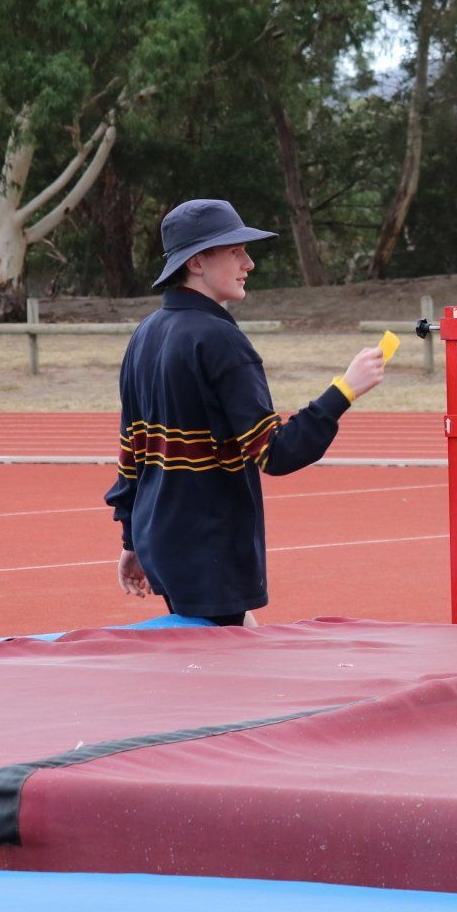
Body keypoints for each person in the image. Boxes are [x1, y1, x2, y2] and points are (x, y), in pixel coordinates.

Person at [107, 199, 387, 624]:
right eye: (236, 251)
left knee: (233, 649)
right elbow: (275, 452)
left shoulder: (145, 333)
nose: (249, 263)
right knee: (230, 670)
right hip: (208, 548)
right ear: (198, 262)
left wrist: (132, 539)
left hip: (161, 541)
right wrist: (345, 390)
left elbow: (133, 452)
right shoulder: (219, 340)